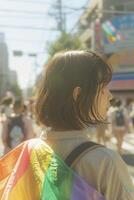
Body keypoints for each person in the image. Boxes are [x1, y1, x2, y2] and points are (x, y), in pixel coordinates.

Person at [0, 50, 133, 200]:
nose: (110, 95)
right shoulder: (106, 162)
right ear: (78, 95)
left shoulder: (28, 152)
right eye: (103, 88)